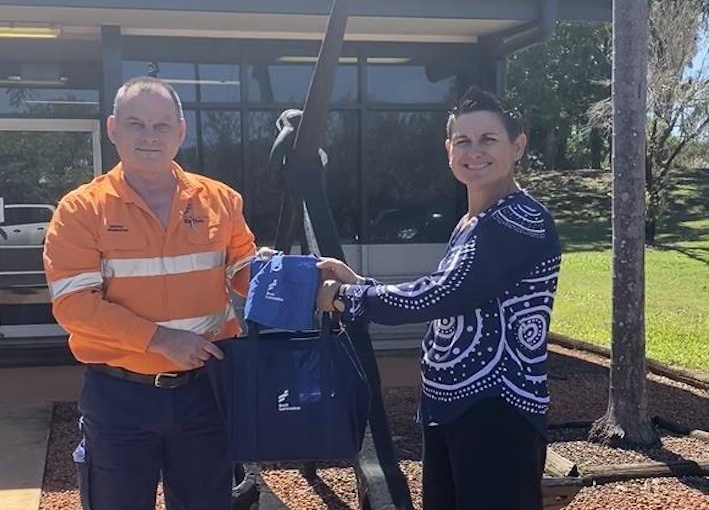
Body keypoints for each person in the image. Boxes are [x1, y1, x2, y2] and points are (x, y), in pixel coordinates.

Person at [316, 87, 561, 510]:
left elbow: (443, 294)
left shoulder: (520, 220)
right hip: (451, 409)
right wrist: (361, 283)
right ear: (449, 150)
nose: (474, 151)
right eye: (463, 141)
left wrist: (345, 298)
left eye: (489, 139)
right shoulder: (474, 221)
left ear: (517, 146)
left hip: (497, 413)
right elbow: (452, 298)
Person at [43, 76, 268, 510]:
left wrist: (300, 277)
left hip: (208, 392)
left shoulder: (220, 200)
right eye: (136, 124)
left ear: (181, 132)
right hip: (119, 398)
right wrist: (162, 340)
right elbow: (75, 306)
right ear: (113, 129)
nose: (150, 136)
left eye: (162, 125)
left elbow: (245, 273)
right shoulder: (81, 210)